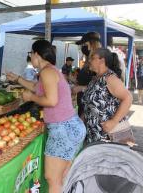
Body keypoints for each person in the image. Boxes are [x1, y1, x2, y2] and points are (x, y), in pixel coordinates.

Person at [6, 40, 85, 193]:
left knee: (52, 178)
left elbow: (51, 100)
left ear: (37, 54)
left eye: (31, 54)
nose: (31, 57)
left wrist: (30, 98)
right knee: (62, 177)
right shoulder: (50, 71)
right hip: (69, 127)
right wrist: (18, 79)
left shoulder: (47, 72)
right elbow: (37, 87)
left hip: (63, 129)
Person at [82, 48, 132, 143]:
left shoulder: (110, 78)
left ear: (102, 60)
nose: (89, 60)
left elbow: (128, 98)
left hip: (110, 135)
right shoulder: (95, 79)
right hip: (95, 134)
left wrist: (114, 121)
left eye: (92, 58)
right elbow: (89, 104)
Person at [72, 32, 102, 118]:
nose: (83, 47)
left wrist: (81, 88)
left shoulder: (98, 61)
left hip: (92, 109)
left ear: (92, 44)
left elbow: (101, 86)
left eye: (85, 44)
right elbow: (89, 80)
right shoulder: (89, 61)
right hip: (84, 104)